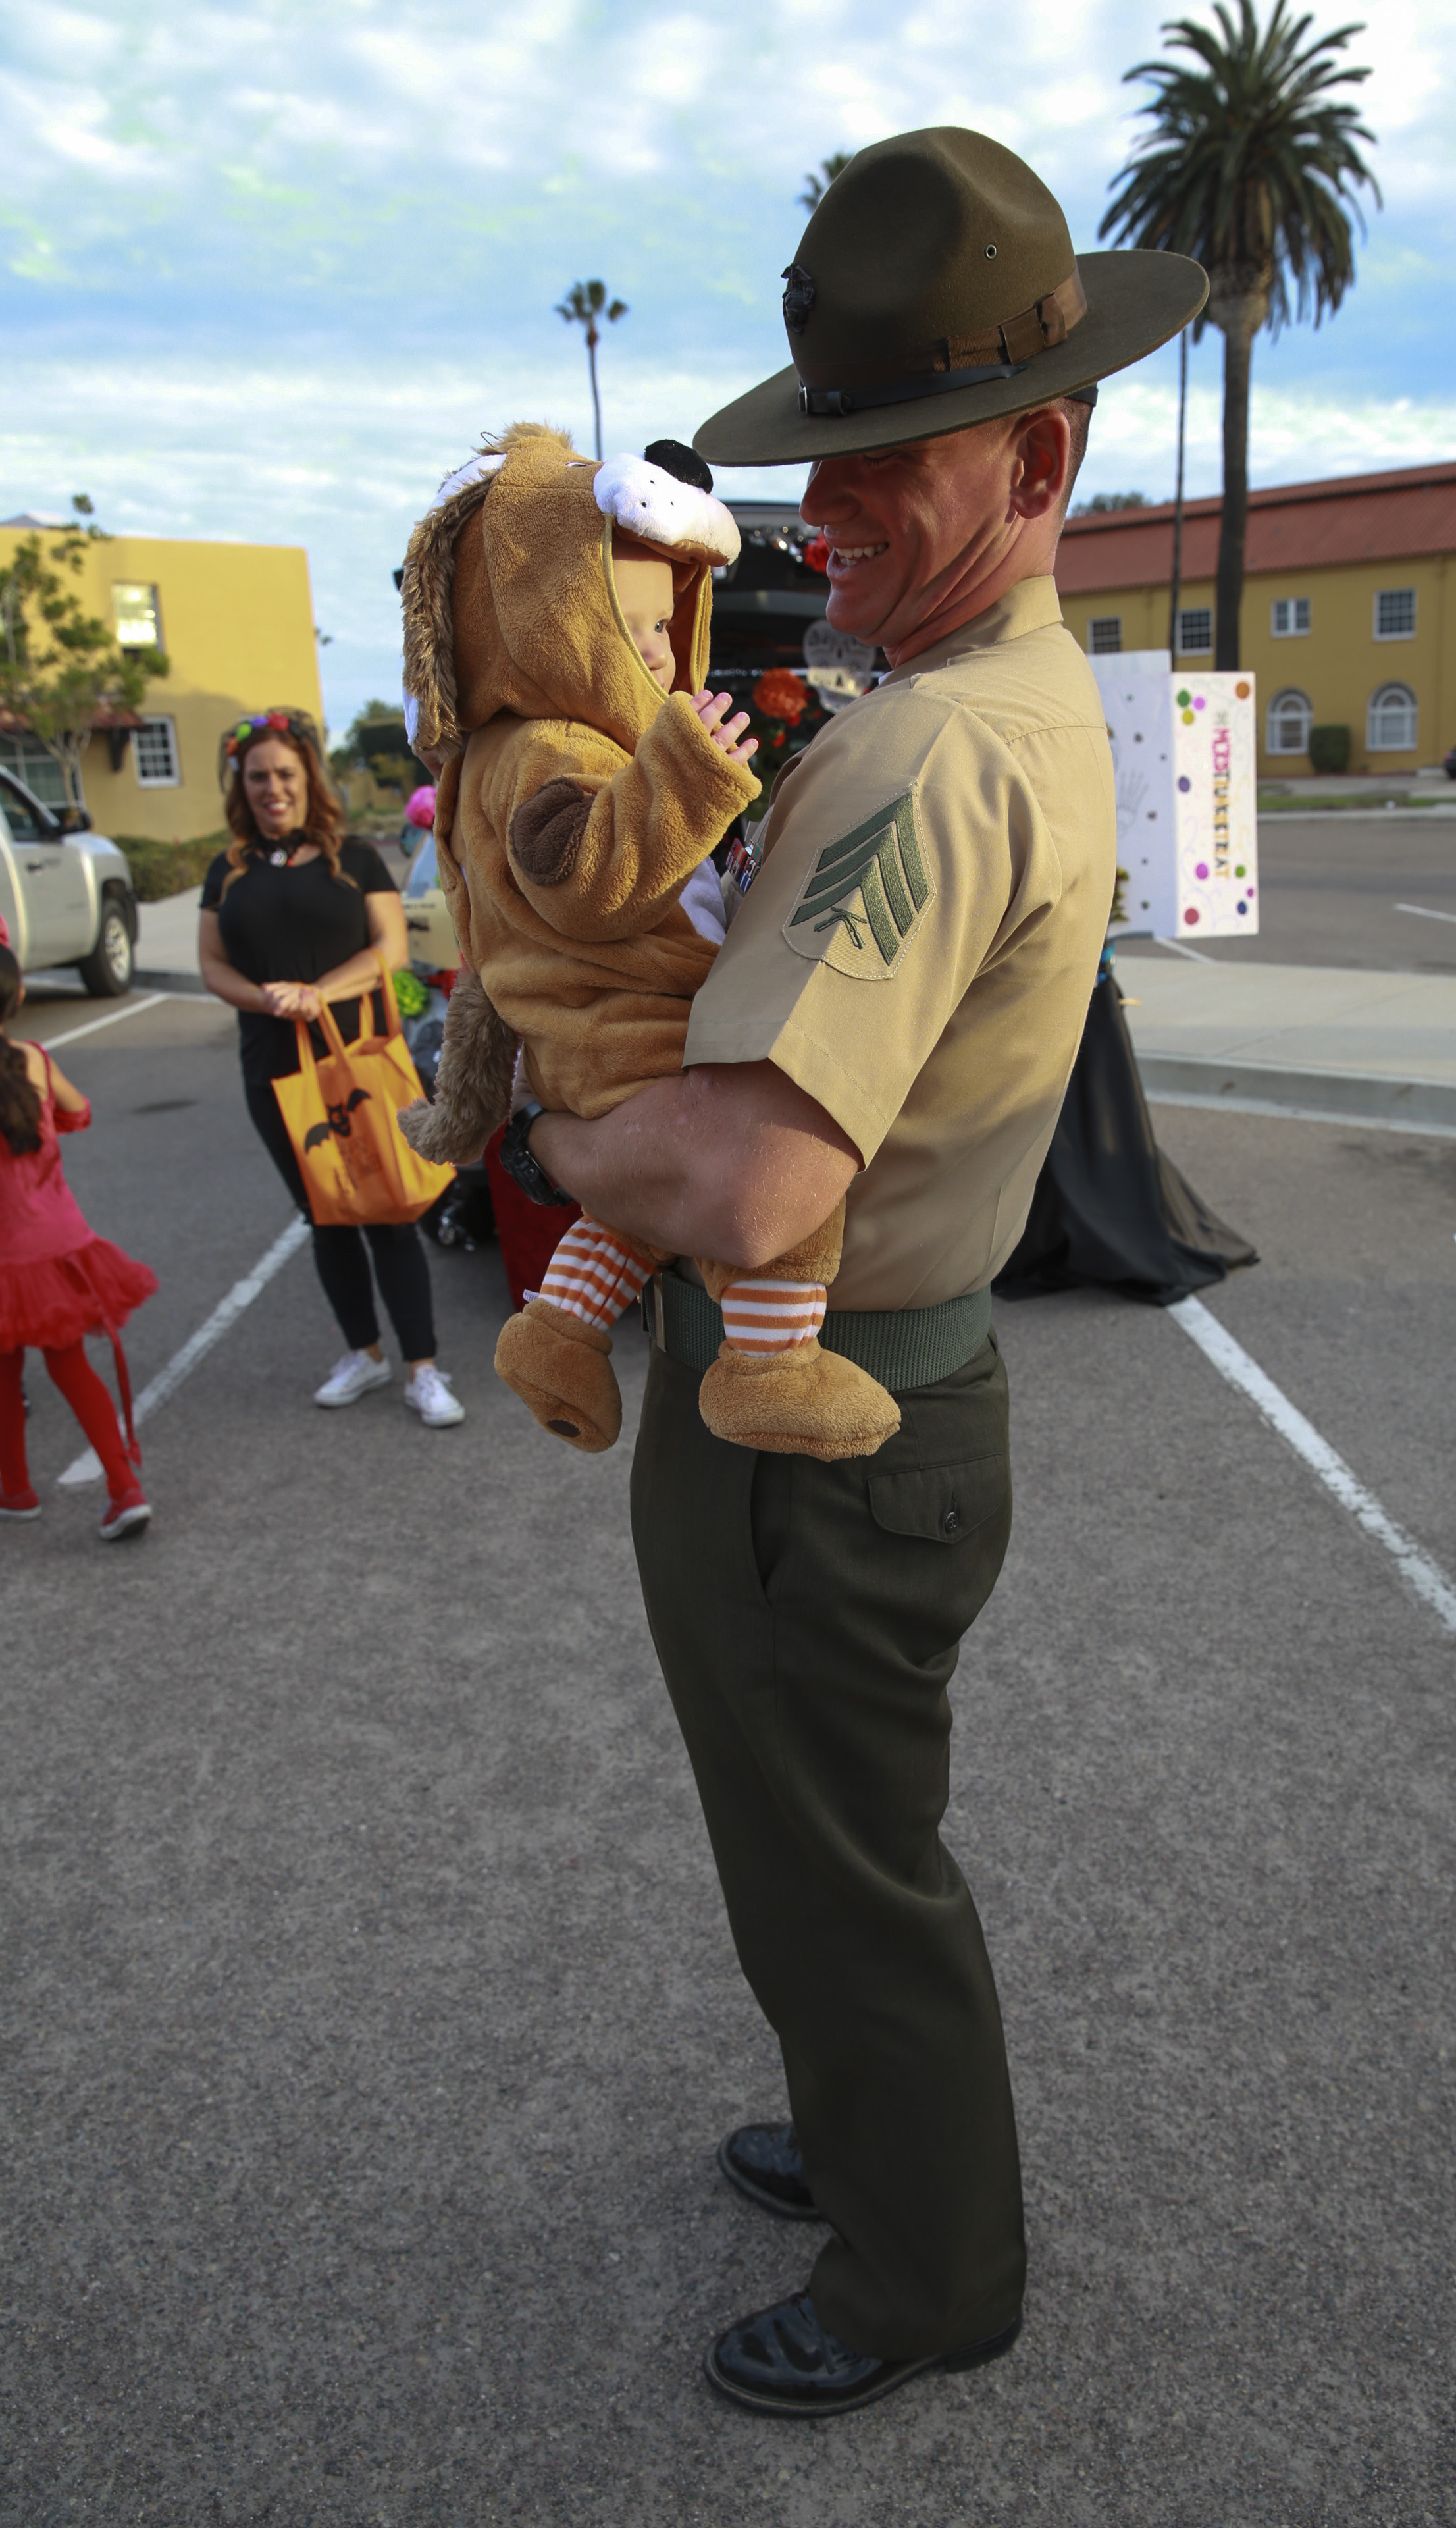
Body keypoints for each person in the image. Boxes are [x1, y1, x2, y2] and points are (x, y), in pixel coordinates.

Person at [511, 128, 1207, 2415]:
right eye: (840, 453)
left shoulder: (926, 758)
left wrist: (532, 1110)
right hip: (872, 1395)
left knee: (845, 1872)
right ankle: (858, 2139)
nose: (842, 510)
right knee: (814, 1833)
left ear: (1042, 448)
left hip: (823, 1419)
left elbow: (734, 1168)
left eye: (903, 461)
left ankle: (929, 2276)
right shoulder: (1008, 698)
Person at [398, 432, 895, 1462]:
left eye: (666, 619)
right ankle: (770, 1366)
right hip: (638, 1025)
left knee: (629, 1213)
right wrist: (687, 774)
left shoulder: (504, 750)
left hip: (587, 1043)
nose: (660, 648)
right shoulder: (553, 746)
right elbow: (583, 876)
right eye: (625, 624)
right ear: (540, 624)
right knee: (777, 1190)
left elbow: (500, 948)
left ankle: (558, 1332)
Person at [197, 709, 465, 1426]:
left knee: (389, 1212)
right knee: (325, 1216)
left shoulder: (356, 857)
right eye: (258, 777)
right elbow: (210, 964)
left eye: (285, 774)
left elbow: (390, 952)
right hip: (276, 1073)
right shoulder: (227, 869)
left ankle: (423, 1370)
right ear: (242, 784)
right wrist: (263, 997)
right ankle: (365, 1355)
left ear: (308, 778)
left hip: (360, 1062)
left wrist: (317, 994)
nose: (272, 788)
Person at [0, 944, 155, 1538]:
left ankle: (15, 1489)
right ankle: (124, 1485)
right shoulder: (35, 1059)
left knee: (3, 1379)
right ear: (16, 997)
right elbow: (80, 1111)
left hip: (7, 1257)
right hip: (57, 1245)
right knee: (71, 1367)